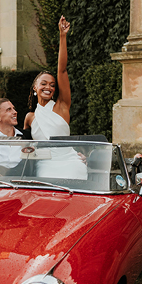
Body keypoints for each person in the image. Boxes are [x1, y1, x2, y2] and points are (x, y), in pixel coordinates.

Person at [23, 16, 86, 179]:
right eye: (44, 83)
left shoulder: (62, 106)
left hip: (70, 161)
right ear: (35, 87)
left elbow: (62, 71)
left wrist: (62, 36)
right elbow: (24, 148)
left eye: (52, 85)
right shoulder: (29, 118)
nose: (48, 87)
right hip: (45, 164)